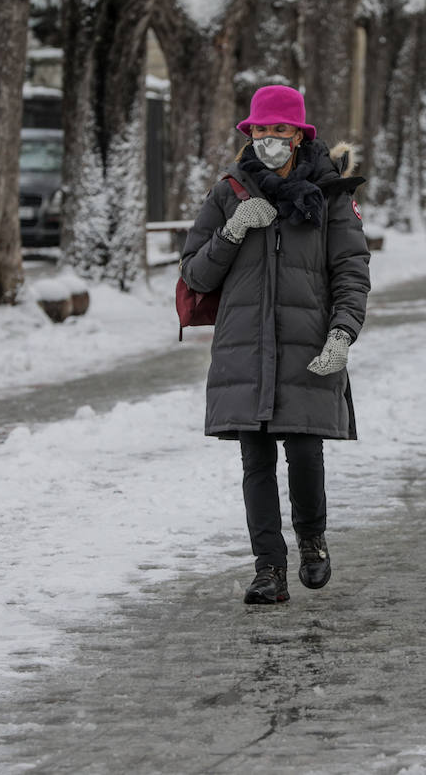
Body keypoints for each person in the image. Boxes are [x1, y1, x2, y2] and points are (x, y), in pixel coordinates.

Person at [179, 85, 371, 606]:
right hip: (245, 349)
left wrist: (342, 333)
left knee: (305, 452)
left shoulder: (331, 196)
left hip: (309, 345)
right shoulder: (230, 193)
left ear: (299, 135)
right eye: (260, 131)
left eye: (279, 131)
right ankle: (269, 569)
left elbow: (351, 271)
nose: (268, 140)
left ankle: (311, 538)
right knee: (255, 461)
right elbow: (195, 273)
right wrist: (234, 230)